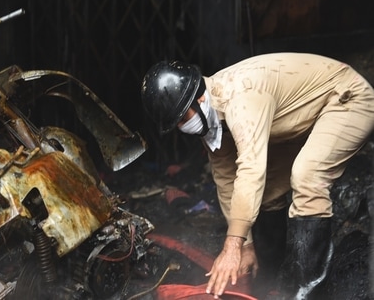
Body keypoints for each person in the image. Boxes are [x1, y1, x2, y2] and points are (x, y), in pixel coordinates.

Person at [140, 53, 374, 299]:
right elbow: (226, 181)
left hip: (347, 99)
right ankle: (269, 280)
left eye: (182, 117)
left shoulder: (241, 98)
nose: (182, 127)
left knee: (307, 175)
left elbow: (251, 169)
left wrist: (231, 246)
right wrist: (246, 246)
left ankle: (304, 289)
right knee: (268, 191)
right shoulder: (211, 115)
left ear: (199, 97)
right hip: (305, 117)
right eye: (176, 124)